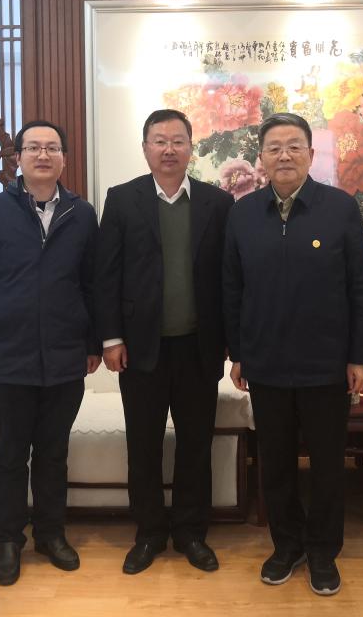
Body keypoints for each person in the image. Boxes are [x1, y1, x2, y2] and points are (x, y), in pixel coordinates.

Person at [223, 112, 363, 597]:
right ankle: (286, 545)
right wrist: (238, 352)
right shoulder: (243, 213)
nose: (284, 155)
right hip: (266, 362)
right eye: (274, 147)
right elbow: (233, 289)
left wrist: (359, 358)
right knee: (276, 463)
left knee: (328, 465)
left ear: (311, 154)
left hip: (325, 364)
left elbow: (360, 286)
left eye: (294, 146)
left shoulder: (339, 208)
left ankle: (323, 551)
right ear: (261, 158)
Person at [0, 119, 102, 586]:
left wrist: (91, 343)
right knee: (9, 456)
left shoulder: (81, 214)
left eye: (52, 148)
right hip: (9, 356)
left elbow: (91, 284)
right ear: (18, 158)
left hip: (65, 356)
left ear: (64, 159)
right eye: (34, 147)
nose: (43, 155)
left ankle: (50, 534)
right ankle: (8, 540)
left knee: (53, 453)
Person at [95, 109, 234, 575]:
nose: (169, 149)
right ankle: (150, 533)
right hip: (140, 349)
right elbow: (107, 274)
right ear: (145, 148)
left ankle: (191, 533)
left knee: (196, 445)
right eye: (160, 141)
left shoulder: (217, 202)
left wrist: (232, 343)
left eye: (178, 141)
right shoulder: (122, 199)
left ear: (191, 148)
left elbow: (229, 278)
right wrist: (111, 338)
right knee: (144, 445)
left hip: (199, 347)